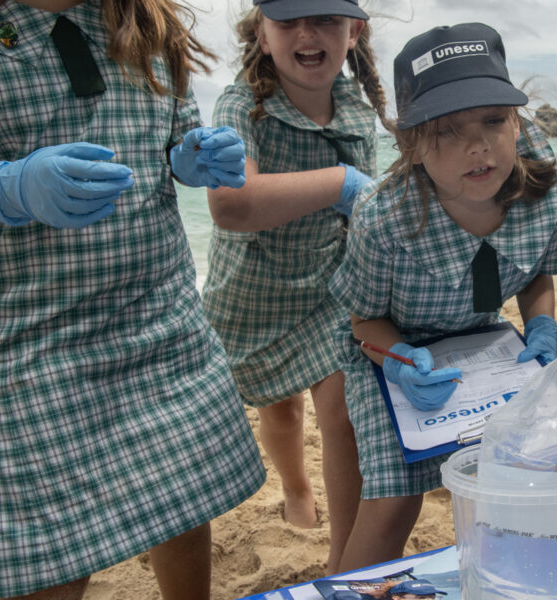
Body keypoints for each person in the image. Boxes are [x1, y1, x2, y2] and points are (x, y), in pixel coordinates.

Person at [0, 0, 267, 599]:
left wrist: (192, 161)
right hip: (27, 348)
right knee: (47, 559)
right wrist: (6, 189)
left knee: (182, 506)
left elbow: (170, 145)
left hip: (160, 322)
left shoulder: (148, 19)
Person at [327, 22, 557, 571]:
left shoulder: (547, 193)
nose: (478, 145)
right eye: (447, 130)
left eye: (493, 119)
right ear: (411, 145)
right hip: (390, 352)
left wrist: (542, 326)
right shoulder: (382, 219)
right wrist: (401, 361)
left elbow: (537, 277)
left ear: (516, 120)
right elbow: (363, 323)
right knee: (393, 503)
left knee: (529, 470)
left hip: (486, 345)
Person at [200, 0, 383, 573]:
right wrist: (340, 181)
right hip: (255, 288)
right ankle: (297, 489)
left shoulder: (355, 105)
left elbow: (367, 213)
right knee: (280, 413)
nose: (307, 33)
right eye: (287, 20)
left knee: (345, 413)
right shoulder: (241, 104)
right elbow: (231, 205)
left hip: (332, 285)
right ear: (262, 31)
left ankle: (342, 563)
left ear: (353, 31)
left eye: (326, 19)